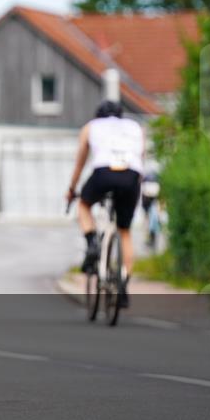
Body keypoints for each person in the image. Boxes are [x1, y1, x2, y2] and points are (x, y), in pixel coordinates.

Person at [66, 100, 145, 308]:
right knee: (124, 231)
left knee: (83, 205)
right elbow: (141, 157)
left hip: (103, 172)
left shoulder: (91, 127)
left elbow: (80, 161)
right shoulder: (135, 127)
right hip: (131, 175)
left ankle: (92, 242)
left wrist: (72, 189)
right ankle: (123, 283)